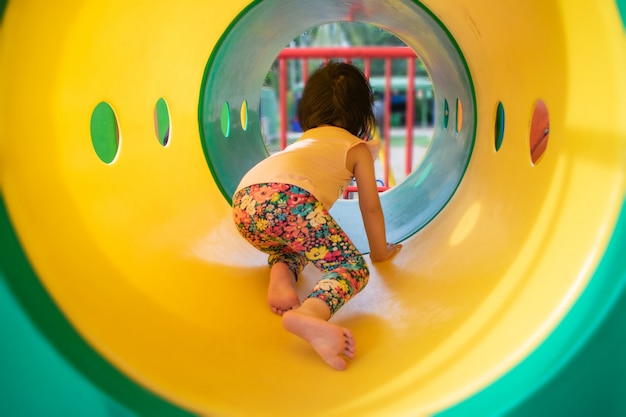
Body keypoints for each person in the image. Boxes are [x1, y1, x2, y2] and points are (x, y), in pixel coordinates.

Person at [232, 62, 402, 371]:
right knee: (350, 268)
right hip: (290, 199)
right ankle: (310, 314)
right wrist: (380, 252)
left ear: (309, 107)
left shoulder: (305, 140)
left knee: (298, 242)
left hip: (245, 202)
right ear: (361, 114)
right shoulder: (356, 147)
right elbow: (370, 206)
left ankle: (283, 272)